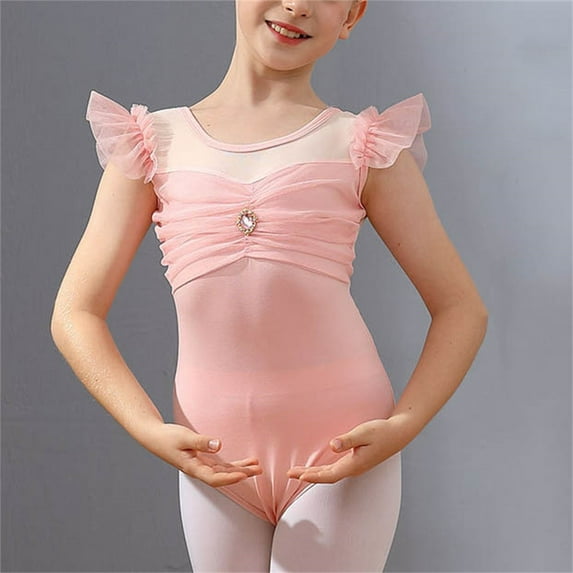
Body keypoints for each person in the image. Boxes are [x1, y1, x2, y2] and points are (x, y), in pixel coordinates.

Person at [50, 0, 488, 571]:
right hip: (213, 456)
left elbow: (461, 308)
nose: (298, 5)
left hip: (340, 450)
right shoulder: (152, 142)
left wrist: (403, 425)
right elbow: (76, 312)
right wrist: (146, 426)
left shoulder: (362, 145)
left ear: (352, 16)